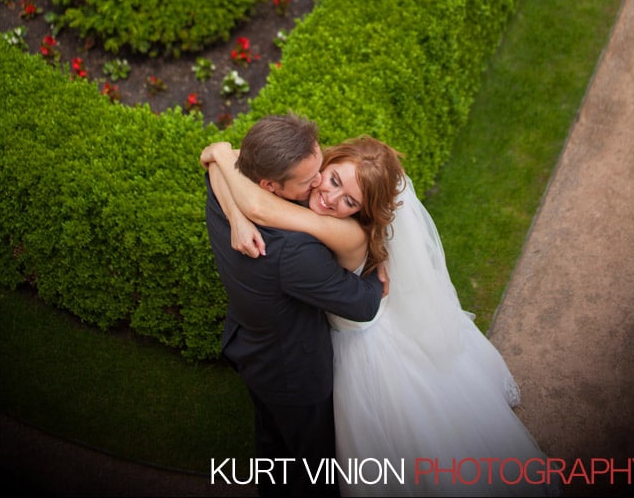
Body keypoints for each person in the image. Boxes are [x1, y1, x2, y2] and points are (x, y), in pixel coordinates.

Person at [204, 134, 559, 497]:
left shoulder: (343, 231)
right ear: (329, 160)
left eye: (349, 201)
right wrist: (225, 180)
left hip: (361, 342)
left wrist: (222, 167)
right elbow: (232, 171)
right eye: (334, 180)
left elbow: (259, 206)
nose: (329, 197)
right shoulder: (318, 184)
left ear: (361, 210)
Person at [202, 115, 385, 498]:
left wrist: (236, 212)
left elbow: (218, 158)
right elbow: (365, 304)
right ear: (270, 186)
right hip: (293, 374)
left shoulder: (226, 185)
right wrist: (376, 266)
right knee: (312, 467)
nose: (319, 183)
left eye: (321, 169)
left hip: (248, 345)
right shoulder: (295, 252)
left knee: (271, 441)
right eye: (309, 180)